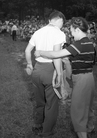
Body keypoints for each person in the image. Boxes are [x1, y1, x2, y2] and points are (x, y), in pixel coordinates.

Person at [35, 17, 95, 138]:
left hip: (82, 80)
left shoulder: (79, 43)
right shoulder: (88, 42)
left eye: (72, 31)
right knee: (87, 107)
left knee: (77, 112)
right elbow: (76, 57)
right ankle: (89, 128)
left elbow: (56, 54)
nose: (71, 34)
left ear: (77, 29)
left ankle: (83, 134)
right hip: (89, 77)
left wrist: (40, 52)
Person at [25, 10, 66, 138]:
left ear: (49, 20)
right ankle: (47, 131)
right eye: (62, 23)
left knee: (39, 100)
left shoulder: (38, 32)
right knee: (52, 103)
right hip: (51, 69)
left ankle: (38, 124)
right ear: (59, 20)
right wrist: (59, 73)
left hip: (37, 69)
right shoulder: (59, 33)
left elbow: (27, 50)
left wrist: (29, 64)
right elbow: (56, 55)